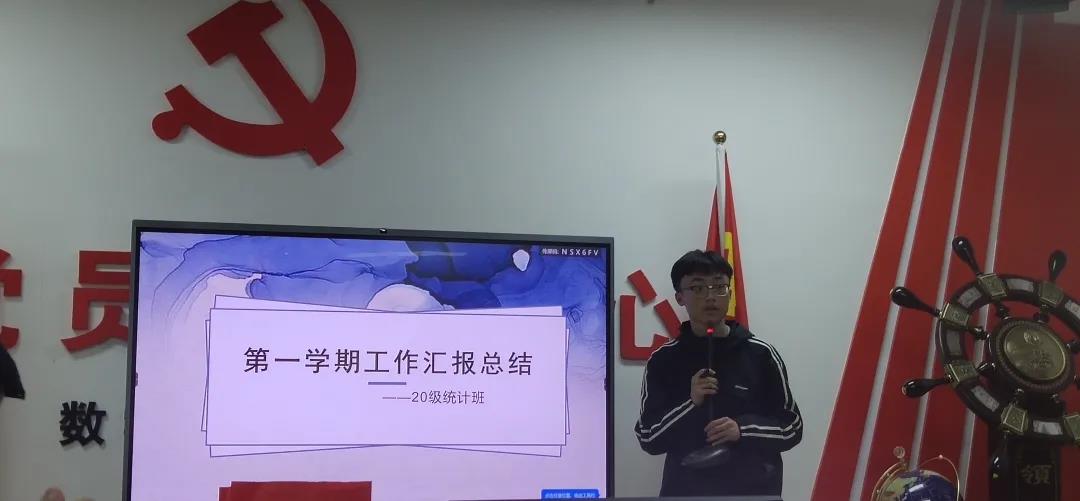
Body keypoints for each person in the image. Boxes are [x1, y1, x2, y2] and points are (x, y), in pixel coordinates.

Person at [634, 250, 802, 497]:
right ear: (680, 297)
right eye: (698, 288)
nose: (710, 296)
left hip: (753, 492)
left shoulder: (761, 354)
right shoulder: (663, 360)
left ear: (730, 294)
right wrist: (691, 403)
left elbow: (792, 428)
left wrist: (742, 429)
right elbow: (649, 438)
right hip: (686, 492)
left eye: (719, 287)